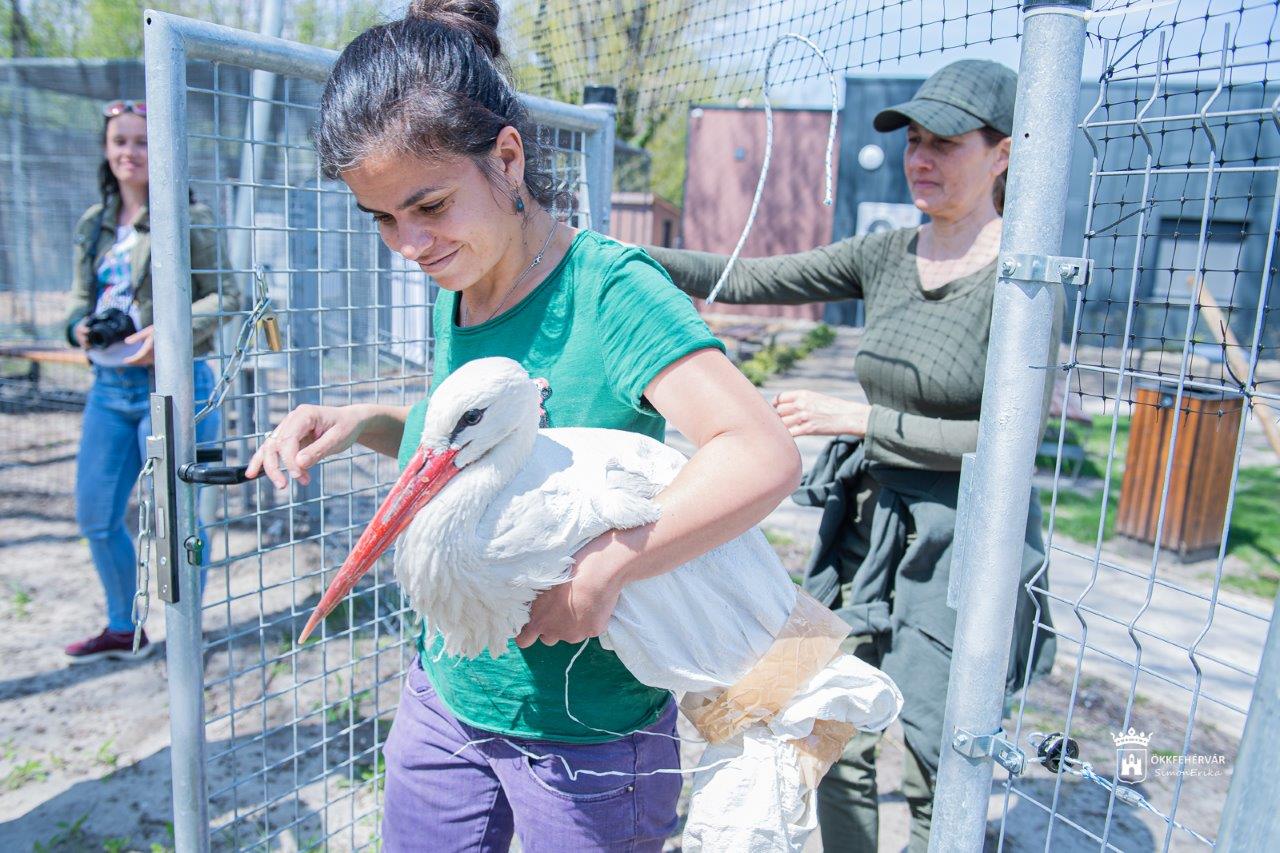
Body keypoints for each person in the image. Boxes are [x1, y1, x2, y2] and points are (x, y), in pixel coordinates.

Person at [243, 2, 800, 850]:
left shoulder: (609, 291)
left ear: (507, 159)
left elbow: (760, 454)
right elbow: (481, 450)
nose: (409, 245)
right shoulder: (462, 283)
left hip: (587, 729)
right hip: (447, 693)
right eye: (383, 219)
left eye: (429, 205)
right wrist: (365, 422)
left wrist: (607, 566)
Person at [647, 59, 1058, 852]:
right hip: (863, 532)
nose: (920, 159)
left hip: (960, 541)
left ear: (1003, 154)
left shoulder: (1025, 282)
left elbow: (1011, 442)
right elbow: (746, 278)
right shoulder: (887, 253)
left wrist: (862, 419)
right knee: (826, 719)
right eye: (914, 141)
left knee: (943, 753)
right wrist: (609, 254)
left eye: (945, 143)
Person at [63, 100, 235, 663]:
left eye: (142, 141)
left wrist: (171, 331)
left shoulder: (189, 216)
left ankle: (185, 639)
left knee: (176, 522)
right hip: (108, 390)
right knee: (96, 516)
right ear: (106, 149)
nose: (130, 152)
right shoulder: (93, 223)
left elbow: (227, 295)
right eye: (120, 141)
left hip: (175, 388)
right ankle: (124, 628)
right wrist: (78, 327)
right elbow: (77, 300)